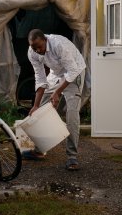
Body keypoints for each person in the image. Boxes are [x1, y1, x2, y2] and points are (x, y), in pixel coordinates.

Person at [27, 28, 86, 170]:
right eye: (34, 48)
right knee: (41, 110)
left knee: (71, 114)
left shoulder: (59, 45)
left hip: (75, 73)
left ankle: (72, 157)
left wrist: (57, 92)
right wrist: (36, 105)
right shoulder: (32, 53)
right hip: (56, 75)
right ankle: (40, 150)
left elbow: (72, 71)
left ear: (45, 40)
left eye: (40, 47)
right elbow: (40, 78)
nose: (38, 51)